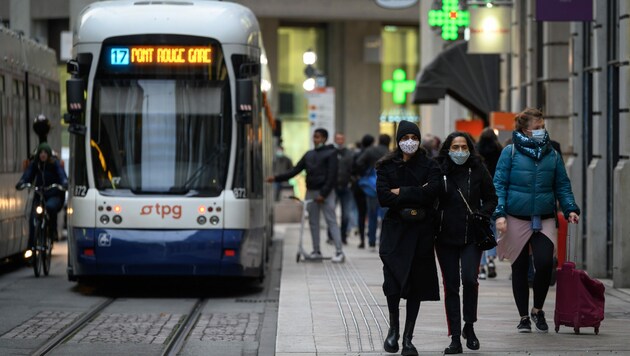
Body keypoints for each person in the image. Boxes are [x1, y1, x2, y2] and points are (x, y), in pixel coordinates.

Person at [493, 107, 580, 333]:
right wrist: (500, 213)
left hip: (544, 217)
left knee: (544, 263)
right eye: (537, 128)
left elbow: (562, 184)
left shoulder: (552, 153)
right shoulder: (509, 152)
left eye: (543, 127)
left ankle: (538, 310)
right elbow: (499, 184)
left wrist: (570, 208)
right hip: (515, 217)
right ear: (524, 129)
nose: (542, 131)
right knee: (519, 268)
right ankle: (523, 316)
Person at [376, 120, 441, 355]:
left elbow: (433, 192)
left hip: (421, 232)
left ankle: (407, 338)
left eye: (414, 137)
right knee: (392, 284)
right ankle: (393, 328)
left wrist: (401, 192)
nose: (410, 142)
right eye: (405, 138)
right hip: (395, 232)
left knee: (416, 286)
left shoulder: (430, 165)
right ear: (398, 140)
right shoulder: (385, 166)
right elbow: (383, 197)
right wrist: (417, 193)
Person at [434, 132, 497, 354]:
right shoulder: (439, 170)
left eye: (463, 147)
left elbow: (492, 197)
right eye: (455, 147)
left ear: (469, 148)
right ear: (447, 149)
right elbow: (429, 196)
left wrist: (483, 213)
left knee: (470, 279)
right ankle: (454, 337)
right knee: (451, 286)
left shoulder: (478, 168)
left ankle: (469, 326)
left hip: (472, 236)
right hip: (444, 236)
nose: (459, 151)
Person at [266, 128, 345, 263]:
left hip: (326, 193)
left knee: (331, 221)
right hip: (311, 192)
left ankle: (339, 251)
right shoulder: (309, 154)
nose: (315, 140)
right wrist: (276, 178)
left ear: (324, 139)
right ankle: (316, 251)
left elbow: (332, 175)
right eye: (314, 137)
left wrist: (323, 194)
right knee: (313, 222)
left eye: (318, 137)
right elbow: (295, 170)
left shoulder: (331, 153)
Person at [16, 142, 68, 246]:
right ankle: (31, 245)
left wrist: (64, 183)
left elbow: (61, 174)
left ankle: (53, 231)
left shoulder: (54, 164)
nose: (43, 155)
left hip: (53, 195)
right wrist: (22, 182)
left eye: (45, 152)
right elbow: (28, 174)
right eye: (41, 152)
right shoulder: (35, 164)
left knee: (50, 207)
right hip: (39, 194)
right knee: (33, 217)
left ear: (48, 154)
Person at [476, 127, 503, 279]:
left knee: (480, 226)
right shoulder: (500, 150)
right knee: (492, 227)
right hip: (494, 192)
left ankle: (481, 264)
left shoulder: (477, 150)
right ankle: (492, 259)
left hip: (480, 191)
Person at [356, 133, 391, 250]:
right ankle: (383, 241)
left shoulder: (370, 151)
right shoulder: (391, 153)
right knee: (385, 216)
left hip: (371, 186)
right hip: (386, 188)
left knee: (371, 214)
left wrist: (366, 172)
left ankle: (371, 241)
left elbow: (359, 162)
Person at [351, 134, 374, 248]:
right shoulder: (371, 153)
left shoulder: (357, 154)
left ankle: (362, 239)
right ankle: (370, 236)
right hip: (371, 186)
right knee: (371, 213)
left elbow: (352, 169)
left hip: (359, 186)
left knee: (361, 213)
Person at [332, 133, 355, 245]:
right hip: (333, 187)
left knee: (345, 214)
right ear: (334, 139)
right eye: (337, 139)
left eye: (341, 138)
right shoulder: (331, 153)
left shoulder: (349, 154)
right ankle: (331, 236)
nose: (339, 141)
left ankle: (343, 235)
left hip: (346, 187)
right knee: (331, 212)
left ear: (344, 139)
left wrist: (352, 180)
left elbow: (354, 168)